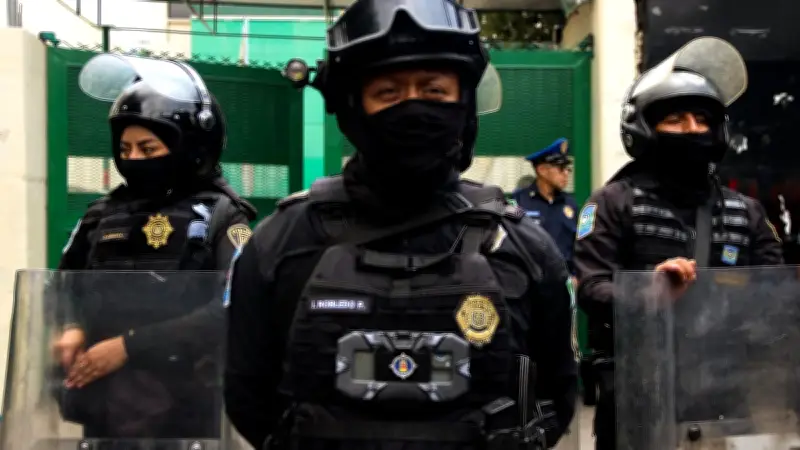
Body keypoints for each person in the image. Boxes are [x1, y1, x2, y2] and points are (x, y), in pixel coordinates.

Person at [224, 0, 578, 449]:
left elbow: (554, 396)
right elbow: (248, 394)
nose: (413, 107)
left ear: (465, 104)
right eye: (388, 92)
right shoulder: (281, 242)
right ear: (353, 107)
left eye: (434, 90)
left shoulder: (522, 247)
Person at [572, 37, 784, 450]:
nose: (691, 129)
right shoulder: (613, 203)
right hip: (639, 394)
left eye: (702, 119)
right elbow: (590, 287)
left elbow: (774, 291)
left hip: (725, 394)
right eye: (675, 119)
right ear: (645, 128)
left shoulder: (746, 212)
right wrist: (647, 293)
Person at [51, 54, 257, 438]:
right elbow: (63, 286)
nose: (133, 159)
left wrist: (129, 347)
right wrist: (71, 325)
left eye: (148, 149)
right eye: (125, 149)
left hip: (184, 413)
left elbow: (234, 307)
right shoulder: (101, 214)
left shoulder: (221, 217)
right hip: (104, 409)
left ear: (190, 146)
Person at [512, 138, 578, 273]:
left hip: (564, 279)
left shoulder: (570, 204)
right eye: (561, 168)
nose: (566, 173)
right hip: (530, 278)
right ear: (542, 170)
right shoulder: (519, 202)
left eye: (568, 169)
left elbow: (578, 246)